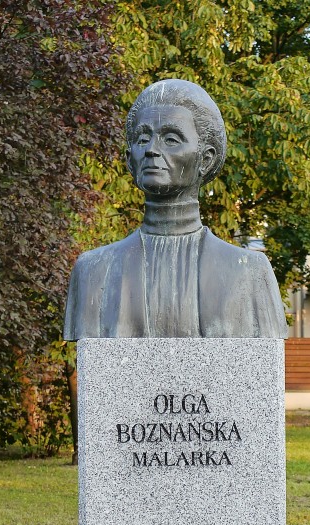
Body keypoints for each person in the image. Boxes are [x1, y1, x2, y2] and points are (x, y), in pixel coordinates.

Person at [63, 79, 287, 340]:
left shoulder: (250, 273)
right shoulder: (93, 271)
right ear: (130, 160)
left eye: (171, 139)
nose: (151, 150)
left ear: (206, 159)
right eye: (143, 138)